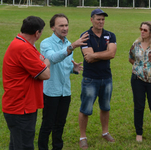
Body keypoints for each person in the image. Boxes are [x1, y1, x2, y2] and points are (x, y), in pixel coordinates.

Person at [38, 14, 89, 150]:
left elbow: (63, 65)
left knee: (60, 124)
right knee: (47, 124)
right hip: (51, 91)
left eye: (66, 25)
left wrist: (73, 69)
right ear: (53, 27)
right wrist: (71, 47)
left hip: (65, 91)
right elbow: (52, 59)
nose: (65, 28)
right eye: (61, 25)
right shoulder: (46, 43)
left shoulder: (67, 44)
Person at [2, 16, 51, 150]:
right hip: (21, 108)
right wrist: (46, 63)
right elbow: (45, 74)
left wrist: (42, 62)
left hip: (18, 106)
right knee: (25, 146)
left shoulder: (22, 43)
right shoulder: (24, 48)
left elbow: (40, 61)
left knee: (17, 145)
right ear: (37, 33)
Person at [78, 9, 117, 149]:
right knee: (85, 109)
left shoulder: (110, 35)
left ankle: (105, 132)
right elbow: (87, 58)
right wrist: (104, 53)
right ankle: (83, 137)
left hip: (106, 78)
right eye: (98, 19)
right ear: (91, 20)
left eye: (103, 19)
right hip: (90, 79)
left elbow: (112, 54)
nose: (101, 22)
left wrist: (95, 55)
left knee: (105, 107)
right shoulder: (85, 36)